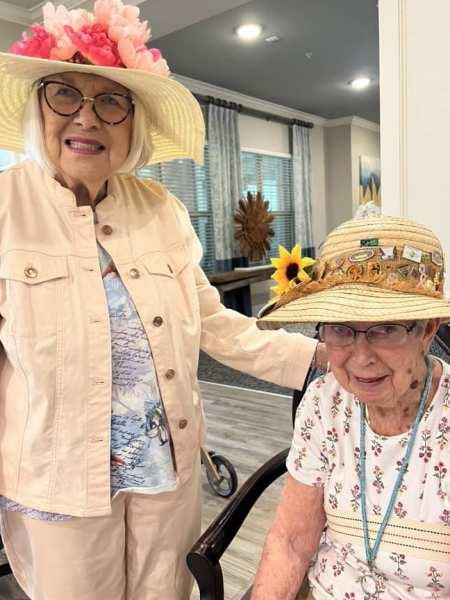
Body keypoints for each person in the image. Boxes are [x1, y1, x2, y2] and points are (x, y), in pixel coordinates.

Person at [0, 1, 325, 599]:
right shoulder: (4, 208)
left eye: (111, 101)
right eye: (65, 95)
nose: (88, 118)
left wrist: (317, 359)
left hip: (165, 470)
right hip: (58, 478)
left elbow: (213, 324)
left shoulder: (161, 210)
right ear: (37, 108)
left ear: (133, 123)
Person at [253, 215, 450, 599]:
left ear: (427, 329)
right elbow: (291, 542)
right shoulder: (325, 402)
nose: (360, 359)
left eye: (385, 328)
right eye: (340, 329)